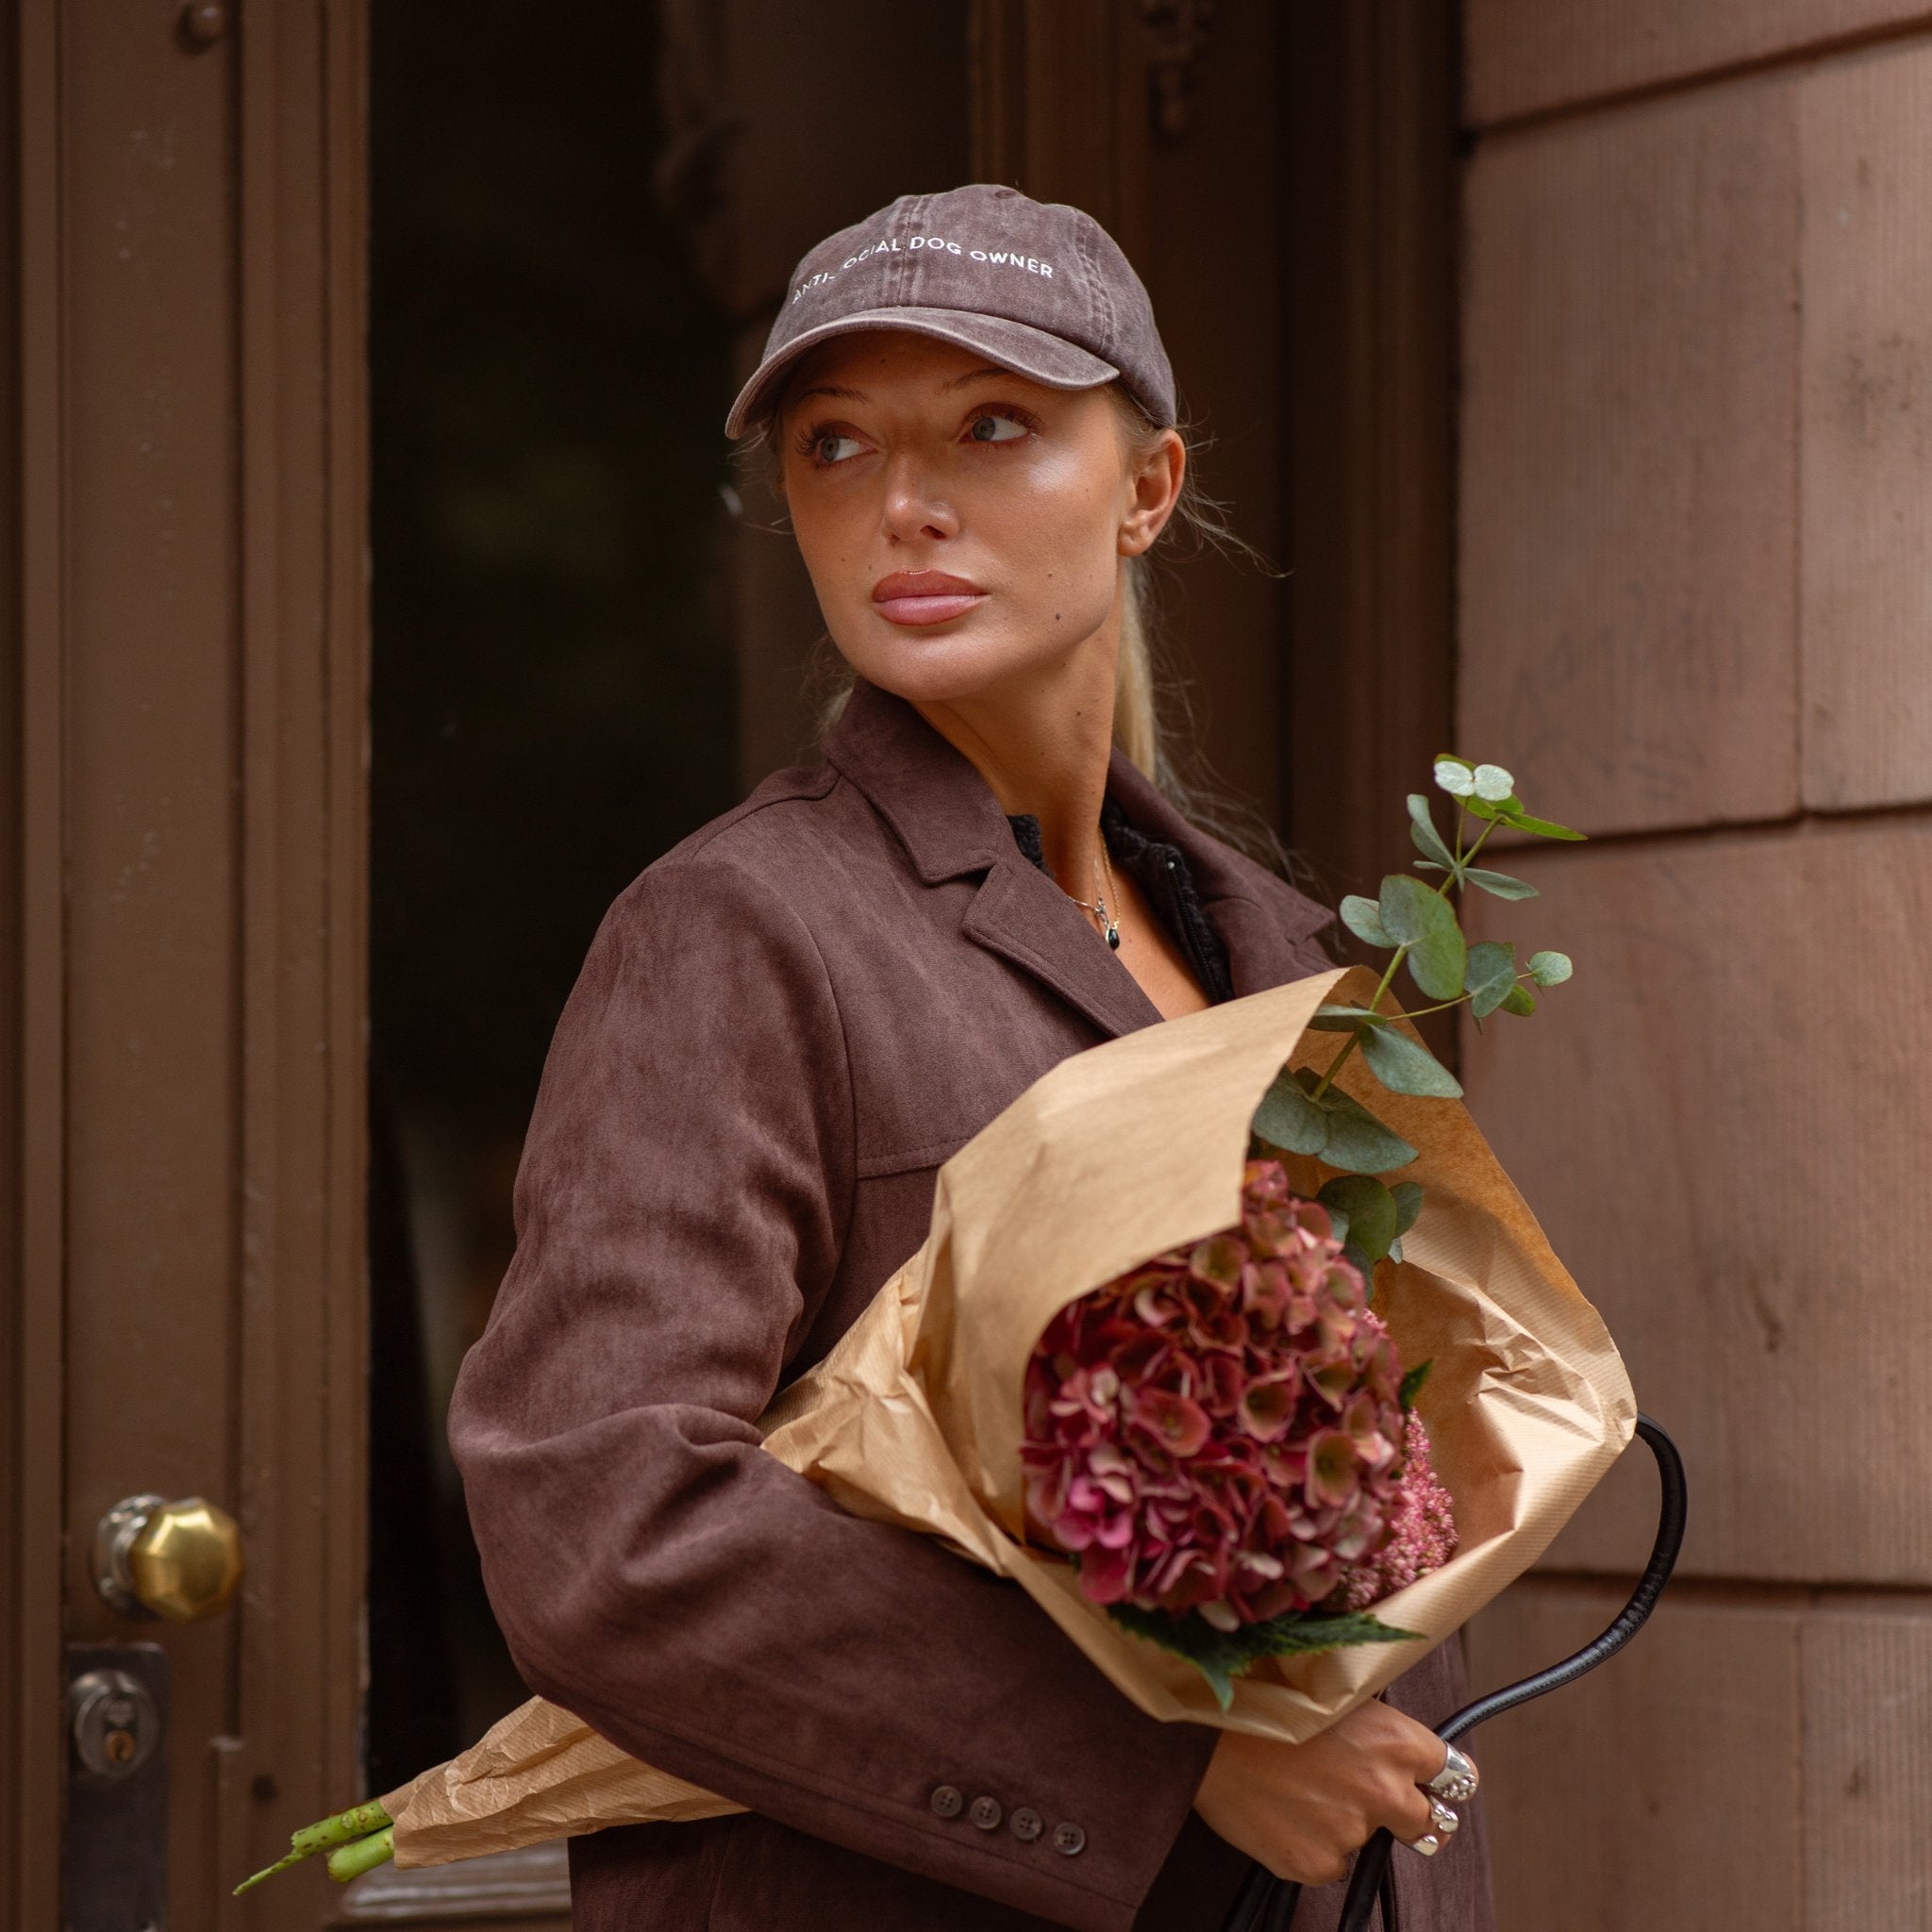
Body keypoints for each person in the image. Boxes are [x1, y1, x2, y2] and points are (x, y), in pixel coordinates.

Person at [447, 183, 1495, 1932]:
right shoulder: (742, 933)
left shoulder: (1291, 958)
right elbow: (602, 1521)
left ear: (1150, 488)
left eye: (994, 429)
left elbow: (1388, 1511)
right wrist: (1168, 1754)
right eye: (836, 446)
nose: (904, 509)